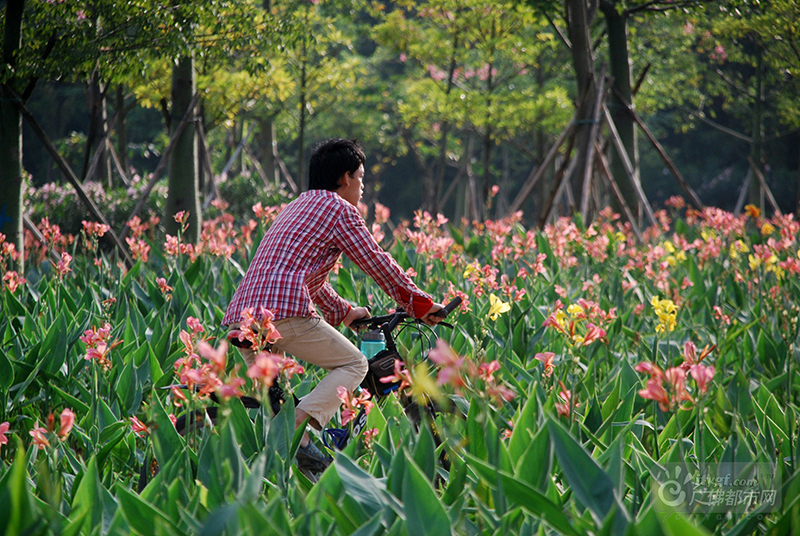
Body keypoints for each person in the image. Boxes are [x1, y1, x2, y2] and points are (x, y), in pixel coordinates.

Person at [222, 137, 444, 470]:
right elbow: (375, 260)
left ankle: (290, 478)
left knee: (284, 429)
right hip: (283, 315)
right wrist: (420, 305)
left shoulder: (296, 206)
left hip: (246, 317)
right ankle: (300, 427)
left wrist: (344, 312)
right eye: (361, 179)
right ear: (345, 178)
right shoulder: (339, 209)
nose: (363, 188)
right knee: (356, 365)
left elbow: (304, 275)